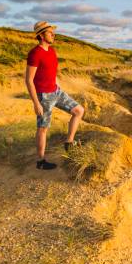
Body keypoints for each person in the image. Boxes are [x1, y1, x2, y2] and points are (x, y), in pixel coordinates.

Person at [25, 21, 85, 170]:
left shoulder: (51, 51)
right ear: (41, 35)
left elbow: (51, 72)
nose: (53, 34)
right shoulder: (35, 53)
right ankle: (41, 161)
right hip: (44, 96)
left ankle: (69, 143)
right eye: (50, 32)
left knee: (79, 111)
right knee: (43, 128)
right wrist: (36, 103)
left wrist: (56, 85)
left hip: (56, 91)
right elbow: (28, 80)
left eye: (53, 32)